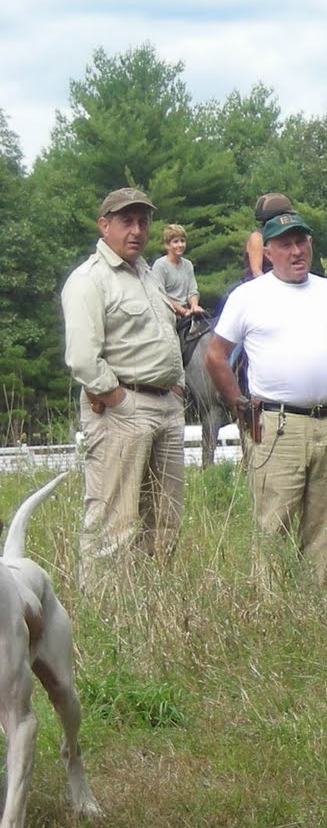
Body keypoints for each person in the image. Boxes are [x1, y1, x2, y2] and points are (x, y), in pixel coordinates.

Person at [205, 210, 327, 583]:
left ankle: (318, 604)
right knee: (275, 522)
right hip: (278, 425)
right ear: (269, 252)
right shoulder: (249, 297)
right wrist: (239, 405)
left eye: (301, 242)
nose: (296, 252)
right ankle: (272, 610)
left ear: (311, 245)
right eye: (285, 244)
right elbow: (215, 355)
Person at [59, 188, 186, 586]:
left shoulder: (148, 274)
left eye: (143, 222)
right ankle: (105, 613)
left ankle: (152, 609)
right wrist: (118, 398)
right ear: (104, 225)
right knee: (114, 520)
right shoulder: (88, 279)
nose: (137, 231)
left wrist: (177, 387)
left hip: (165, 405)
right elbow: (82, 357)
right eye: (126, 222)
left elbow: (165, 334)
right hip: (121, 408)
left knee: (164, 519)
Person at [150, 224, 202, 318]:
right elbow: (160, 295)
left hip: (186, 312)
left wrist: (194, 306)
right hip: (167, 313)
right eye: (175, 242)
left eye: (182, 241)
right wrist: (182, 311)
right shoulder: (160, 265)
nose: (180, 245)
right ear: (167, 245)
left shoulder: (188, 265)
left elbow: (192, 291)